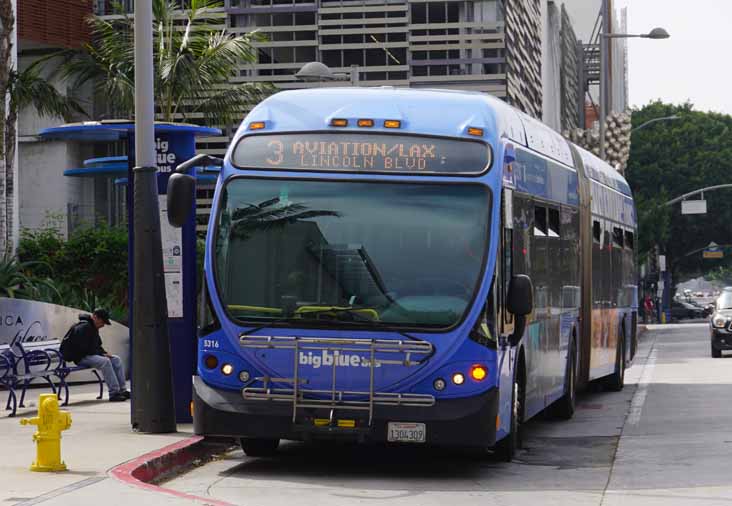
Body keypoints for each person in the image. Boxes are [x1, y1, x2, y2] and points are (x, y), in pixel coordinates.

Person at [60, 308, 129, 402]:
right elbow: (83, 349)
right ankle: (114, 393)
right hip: (80, 357)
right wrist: (102, 355)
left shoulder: (93, 327)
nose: (103, 325)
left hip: (90, 355)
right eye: (102, 322)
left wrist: (104, 353)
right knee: (105, 361)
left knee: (116, 359)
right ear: (95, 317)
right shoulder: (83, 328)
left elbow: (97, 345)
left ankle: (122, 390)